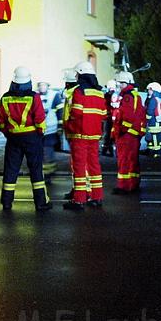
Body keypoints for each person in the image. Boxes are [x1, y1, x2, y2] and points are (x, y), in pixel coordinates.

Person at [0, 66, 51, 212]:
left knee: (10, 170)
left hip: (13, 138)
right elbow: (40, 120)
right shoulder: (34, 97)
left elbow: (1, 121)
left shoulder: (5, 97)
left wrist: (8, 133)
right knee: (36, 170)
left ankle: (6, 202)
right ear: (28, 81)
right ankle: (40, 203)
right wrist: (40, 134)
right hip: (32, 138)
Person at [63, 61, 108, 211]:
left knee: (79, 167)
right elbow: (103, 115)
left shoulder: (79, 91)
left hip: (80, 135)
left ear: (81, 74)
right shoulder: (99, 92)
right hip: (94, 136)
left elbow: (76, 112)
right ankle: (97, 197)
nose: (75, 76)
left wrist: (69, 125)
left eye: (77, 73)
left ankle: (79, 200)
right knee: (94, 166)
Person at [112, 71, 146, 194]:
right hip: (133, 133)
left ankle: (124, 186)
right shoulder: (134, 95)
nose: (118, 85)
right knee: (132, 160)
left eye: (120, 83)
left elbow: (127, 116)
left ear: (125, 83)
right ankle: (133, 183)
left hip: (127, 135)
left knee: (124, 160)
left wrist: (121, 131)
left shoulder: (127, 97)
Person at [37, 81, 60, 181]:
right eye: (40, 85)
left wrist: (60, 126)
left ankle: (48, 174)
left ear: (48, 86)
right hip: (38, 130)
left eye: (44, 85)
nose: (42, 87)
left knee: (48, 153)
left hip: (50, 129)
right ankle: (41, 173)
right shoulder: (35, 95)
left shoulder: (54, 95)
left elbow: (60, 110)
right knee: (39, 153)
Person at [145, 82, 161, 158]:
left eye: (149, 89)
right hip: (159, 120)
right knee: (158, 135)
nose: (148, 91)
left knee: (154, 136)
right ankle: (156, 149)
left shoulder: (153, 99)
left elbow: (150, 110)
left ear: (153, 90)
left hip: (153, 120)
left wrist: (146, 117)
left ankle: (156, 151)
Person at [101, 79, 118, 156]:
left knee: (109, 134)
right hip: (109, 117)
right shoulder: (110, 95)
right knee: (108, 134)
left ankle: (108, 149)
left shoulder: (114, 96)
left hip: (111, 117)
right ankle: (107, 149)